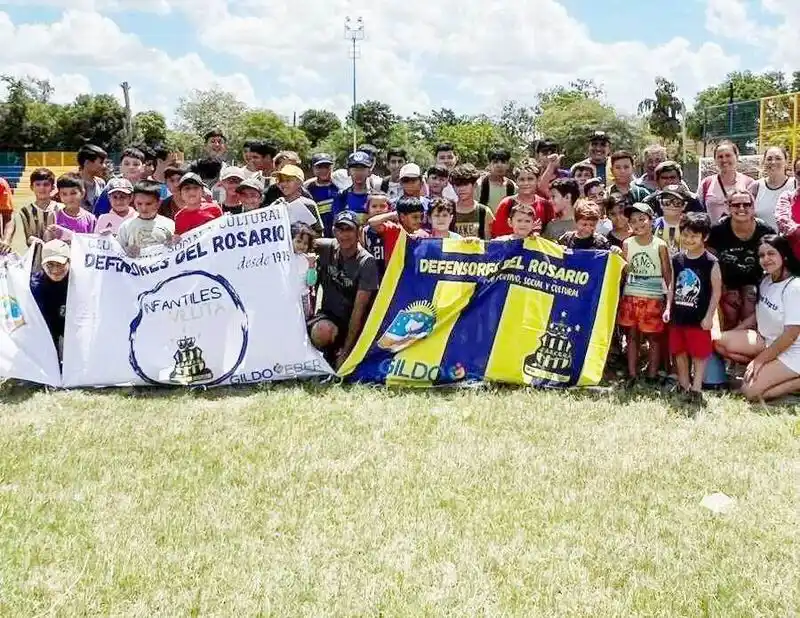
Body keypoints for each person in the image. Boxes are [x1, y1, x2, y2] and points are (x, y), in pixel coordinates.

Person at [714, 235, 800, 401]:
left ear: (784, 255)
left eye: (771, 254)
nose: (766, 259)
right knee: (718, 341)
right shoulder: (767, 280)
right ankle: (765, 371)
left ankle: (794, 384)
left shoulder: (794, 287)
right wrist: (734, 333)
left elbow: (791, 334)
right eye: (761, 255)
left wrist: (759, 361)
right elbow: (757, 315)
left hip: (792, 351)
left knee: (750, 392)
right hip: (766, 341)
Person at [663, 213, 722, 402]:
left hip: (698, 318)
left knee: (699, 354)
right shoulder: (677, 259)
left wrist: (709, 316)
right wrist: (667, 307)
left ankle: (696, 389)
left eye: (694, 236)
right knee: (679, 352)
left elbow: (716, 292)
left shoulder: (711, 262)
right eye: (686, 235)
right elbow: (672, 285)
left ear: (704, 237)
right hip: (678, 315)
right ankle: (683, 385)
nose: (689, 240)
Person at [309, 210, 380, 368]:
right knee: (322, 331)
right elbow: (299, 239)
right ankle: (327, 354)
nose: (344, 235)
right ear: (334, 231)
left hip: (354, 323)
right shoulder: (327, 247)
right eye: (340, 230)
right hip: (328, 318)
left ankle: (340, 353)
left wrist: (347, 353)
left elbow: (359, 310)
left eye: (349, 229)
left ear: (358, 231)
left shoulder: (366, 262)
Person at [618, 202, 671, 383]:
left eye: (642, 219)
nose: (638, 224)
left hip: (653, 298)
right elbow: (624, 270)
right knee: (632, 336)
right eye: (633, 221)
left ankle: (652, 374)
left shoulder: (660, 245)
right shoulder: (626, 243)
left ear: (651, 220)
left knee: (654, 338)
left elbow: (667, 273)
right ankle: (632, 373)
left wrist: (669, 300)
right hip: (631, 296)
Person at [708, 190, 775, 331]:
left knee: (750, 299)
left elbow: (774, 263)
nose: (742, 209)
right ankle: (726, 343)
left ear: (753, 207)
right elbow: (710, 261)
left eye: (747, 204)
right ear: (728, 207)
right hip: (725, 282)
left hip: (755, 282)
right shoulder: (717, 231)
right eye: (736, 205)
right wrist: (722, 288)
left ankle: (748, 344)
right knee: (729, 308)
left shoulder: (765, 231)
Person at [0, 167, 60, 257]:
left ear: (53, 187)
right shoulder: (25, 212)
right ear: (32, 187)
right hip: (34, 258)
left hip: (58, 256)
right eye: (38, 184)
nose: (42, 188)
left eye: (46, 184)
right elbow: (23, 235)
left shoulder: (60, 209)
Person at [30, 239, 71, 360]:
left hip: (71, 328)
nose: (55, 270)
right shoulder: (33, 286)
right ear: (42, 264)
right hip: (46, 330)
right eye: (50, 265)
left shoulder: (80, 282)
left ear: (69, 262)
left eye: (60, 264)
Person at [698, 140, 756, 223]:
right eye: (720, 157)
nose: (724, 160)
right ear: (715, 160)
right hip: (713, 234)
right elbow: (699, 213)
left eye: (728, 155)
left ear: (737, 157)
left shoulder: (749, 183)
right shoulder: (706, 184)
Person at [492, 161, 551, 237]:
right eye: (522, 179)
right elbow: (497, 235)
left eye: (530, 179)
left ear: (538, 180)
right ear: (516, 181)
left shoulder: (545, 205)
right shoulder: (507, 204)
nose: (526, 183)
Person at [117, 180, 176, 256]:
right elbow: (117, 253)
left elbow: (175, 251)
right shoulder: (126, 226)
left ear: (158, 203)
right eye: (139, 204)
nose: (143, 208)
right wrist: (126, 251)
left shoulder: (169, 224)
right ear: (134, 202)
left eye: (148, 204)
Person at [366, 196, 428, 264]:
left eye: (421, 217)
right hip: (393, 273)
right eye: (415, 217)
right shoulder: (392, 229)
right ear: (402, 217)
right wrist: (393, 215)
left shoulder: (424, 235)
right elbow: (372, 222)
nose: (419, 220)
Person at [750, 146, 795, 230]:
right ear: (764, 162)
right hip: (764, 241)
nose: (773, 162)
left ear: (786, 162)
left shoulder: (796, 185)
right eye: (769, 159)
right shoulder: (756, 186)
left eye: (778, 158)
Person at [46, 173, 96, 242]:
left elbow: (92, 243)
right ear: (59, 195)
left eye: (73, 193)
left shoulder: (90, 219)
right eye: (64, 194)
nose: (69, 198)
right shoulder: (54, 216)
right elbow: (49, 242)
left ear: (82, 193)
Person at [450, 164, 494, 239]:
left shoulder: (484, 212)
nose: (461, 189)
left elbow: (488, 242)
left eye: (465, 184)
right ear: (453, 187)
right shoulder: (448, 210)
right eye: (458, 185)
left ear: (475, 185)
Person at [274, 165, 322, 233]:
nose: (283, 184)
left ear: (299, 182)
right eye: (280, 180)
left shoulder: (308, 204)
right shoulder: (276, 205)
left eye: (288, 180)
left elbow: (318, 232)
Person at [334, 152, 373, 224]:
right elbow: (336, 224)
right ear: (348, 172)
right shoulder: (342, 196)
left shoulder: (376, 197)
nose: (358, 173)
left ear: (369, 172)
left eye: (362, 169)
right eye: (354, 169)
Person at [306, 153, 340, 236]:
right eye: (319, 167)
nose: (323, 170)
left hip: (339, 233)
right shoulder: (307, 189)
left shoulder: (339, 185)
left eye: (326, 167)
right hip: (318, 235)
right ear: (313, 168)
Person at [291, 222, 318, 320]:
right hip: (289, 297)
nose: (302, 245)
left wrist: (311, 266)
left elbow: (311, 282)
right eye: (298, 241)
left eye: (305, 243)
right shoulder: (284, 258)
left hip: (303, 298)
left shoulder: (307, 260)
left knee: (303, 322)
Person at [476, 147, 516, 212]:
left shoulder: (512, 186)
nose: (499, 165)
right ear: (489, 164)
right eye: (495, 162)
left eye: (503, 162)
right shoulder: (479, 186)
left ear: (508, 165)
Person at [775, 156, 800, 260]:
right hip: (793, 261)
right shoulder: (787, 197)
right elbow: (783, 221)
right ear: (795, 175)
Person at [361, 193, 391, 275]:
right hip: (371, 275)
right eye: (374, 206)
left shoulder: (395, 229)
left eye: (382, 206)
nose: (378, 210)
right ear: (368, 209)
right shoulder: (364, 231)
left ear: (389, 209)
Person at [653, 186, 687, 256]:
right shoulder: (653, 225)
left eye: (677, 202)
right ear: (660, 203)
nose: (671, 206)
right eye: (666, 202)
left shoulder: (689, 225)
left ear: (684, 205)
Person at [76, 144, 108, 212]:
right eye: (101, 163)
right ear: (87, 163)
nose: (104, 166)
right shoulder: (70, 182)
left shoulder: (101, 183)